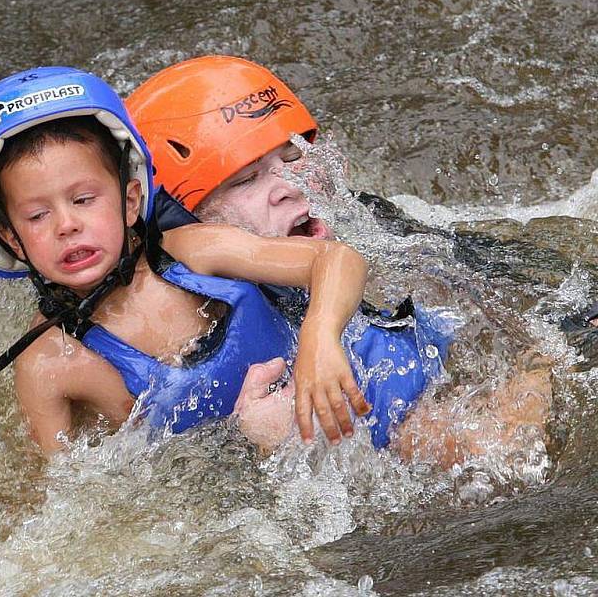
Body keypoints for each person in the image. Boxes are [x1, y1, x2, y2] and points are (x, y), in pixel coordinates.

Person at [126, 55, 553, 463]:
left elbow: (523, 280)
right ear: (185, 218)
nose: (291, 186)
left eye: (293, 156)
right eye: (246, 180)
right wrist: (256, 446)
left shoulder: (368, 224)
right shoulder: (184, 328)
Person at [0, 66, 370, 455]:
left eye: (83, 200)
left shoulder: (192, 253)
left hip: (349, 406)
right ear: (10, 239)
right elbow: (73, 502)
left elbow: (337, 260)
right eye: (37, 216)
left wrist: (321, 337)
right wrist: (252, 444)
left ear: (131, 200)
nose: (66, 225)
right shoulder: (49, 365)